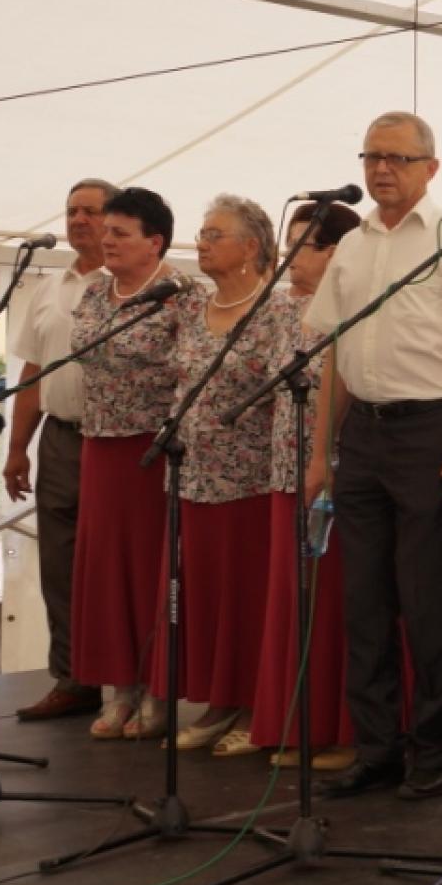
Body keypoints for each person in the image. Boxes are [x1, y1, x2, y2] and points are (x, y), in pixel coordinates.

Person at [304, 111, 442, 801]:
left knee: (426, 601)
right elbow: (334, 351)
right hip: (363, 434)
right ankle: (377, 749)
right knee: (364, 602)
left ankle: (434, 749)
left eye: (397, 158)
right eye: (372, 155)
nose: (381, 169)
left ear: (431, 168)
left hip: (433, 429)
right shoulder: (353, 244)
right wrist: (321, 453)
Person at [155, 196, 288, 756]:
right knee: (206, 596)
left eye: (215, 235)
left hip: (249, 479)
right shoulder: (192, 308)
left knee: (247, 598)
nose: (201, 243)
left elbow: (287, 394)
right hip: (192, 476)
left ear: (251, 247)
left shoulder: (279, 311)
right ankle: (218, 701)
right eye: (202, 233)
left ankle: (256, 707)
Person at [69, 186, 185, 740]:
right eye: (106, 231)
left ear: (154, 242)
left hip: (153, 449)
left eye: (120, 233)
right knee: (107, 570)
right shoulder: (95, 292)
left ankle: (158, 692)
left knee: (149, 570)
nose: (107, 240)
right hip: (100, 444)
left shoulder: (181, 294)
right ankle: (120, 690)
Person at [250, 202, 362, 770]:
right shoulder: (279, 309)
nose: (290, 259)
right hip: (285, 468)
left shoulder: (355, 306)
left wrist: (324, 458)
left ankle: (344, 729)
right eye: (288, 246)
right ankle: (297, 725)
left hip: (338, 468)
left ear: (335, 252)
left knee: (334, 600)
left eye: (303, 246)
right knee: (294, 600)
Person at [5, 178, 115, 721]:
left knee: (116, 562)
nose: (78, 220)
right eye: (72, 211)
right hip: (61, 438)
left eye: (90, 211)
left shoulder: (134, 284)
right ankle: (74, 679)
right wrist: (17, 448)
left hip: (118, 443)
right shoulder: (50, 288)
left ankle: (134, 681)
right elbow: (32, 371)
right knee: (60, 563)